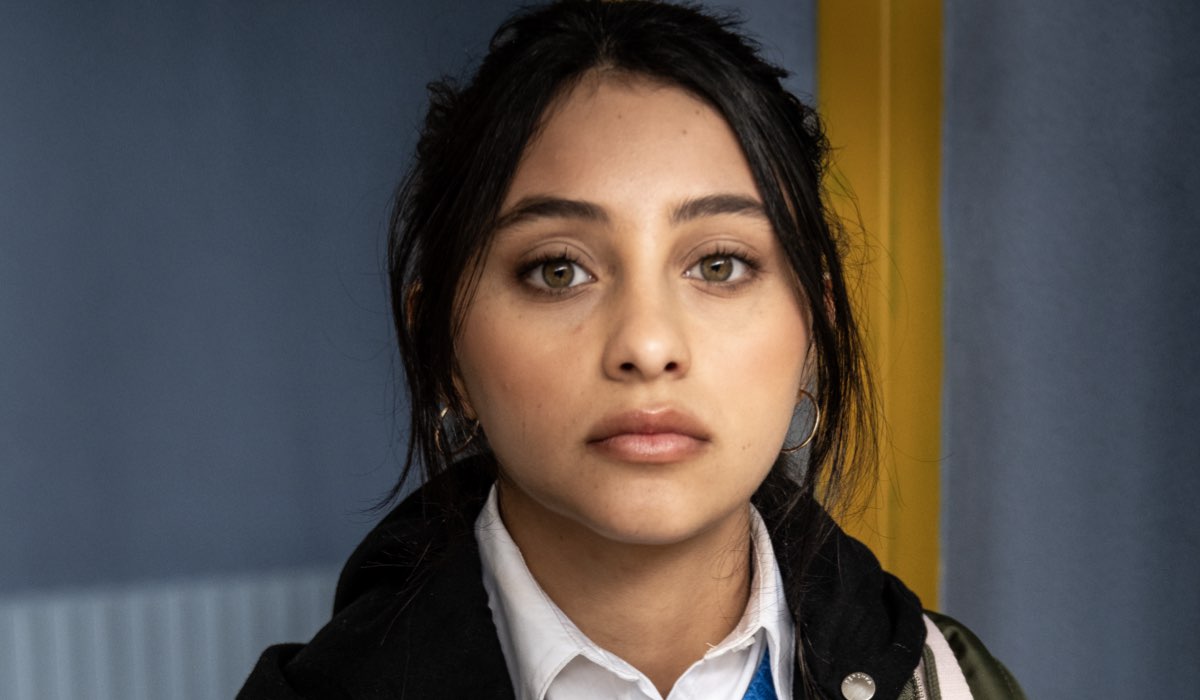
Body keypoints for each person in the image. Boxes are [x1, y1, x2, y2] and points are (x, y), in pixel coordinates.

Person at [240, 1, 1023, 698]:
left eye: (720, 265)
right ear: (442, 345)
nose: (648, 347)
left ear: (812, 328)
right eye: (558, 270)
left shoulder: (949, 683)